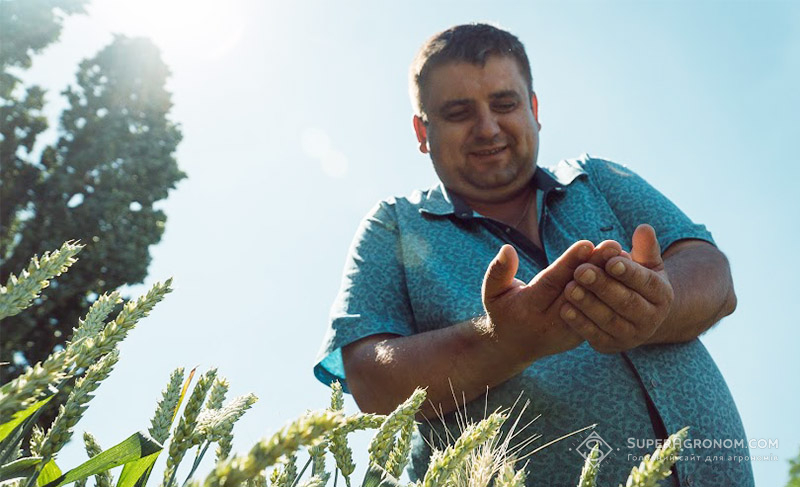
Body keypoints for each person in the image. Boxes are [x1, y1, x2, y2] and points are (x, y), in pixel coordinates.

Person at [314, 23, 754, 486]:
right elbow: (367, 378)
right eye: (459, 112)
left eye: (504, 104)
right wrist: (504, 341)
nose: (488, 128)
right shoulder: (393, 225)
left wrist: (658, 304)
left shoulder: (598, 178)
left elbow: (711, 271)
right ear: (423, 131)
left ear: (534, 108)